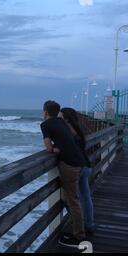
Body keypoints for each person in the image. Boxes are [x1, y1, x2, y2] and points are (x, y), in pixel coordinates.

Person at [40, 101, 86, 247]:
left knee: (73, 201)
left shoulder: (45, 125)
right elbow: (74, 136)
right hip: (79, 161)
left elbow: (48, 148)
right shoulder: (62, 121)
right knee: (71, 199)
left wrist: (55, 148)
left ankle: (79, 237)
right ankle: (78, 230)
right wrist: (61, 145)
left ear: (45, 112)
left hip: (69, 165)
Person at [60, 108, 95, 236]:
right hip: (86, 165)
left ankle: (79, 226)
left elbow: (67, 147)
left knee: (69, 199)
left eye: (60, 116)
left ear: (66, 118)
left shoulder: (68, 129)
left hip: (77, 167)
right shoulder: (78, 129)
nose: (59, 119)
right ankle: (89, 225)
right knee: (85, 197)